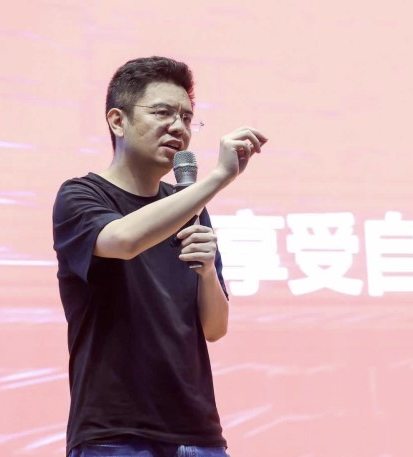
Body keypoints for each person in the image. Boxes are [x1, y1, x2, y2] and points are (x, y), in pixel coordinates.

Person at [52, 56, 267, 457]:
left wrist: (207, 273)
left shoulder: (191, 207)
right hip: (115, 433)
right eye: (163, 112)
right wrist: (219, 177)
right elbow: (123, 240)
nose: (179, 127)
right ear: (118, 121)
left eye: (187, 118)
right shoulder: (80, 195)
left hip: (198, 435)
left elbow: (215, 327)